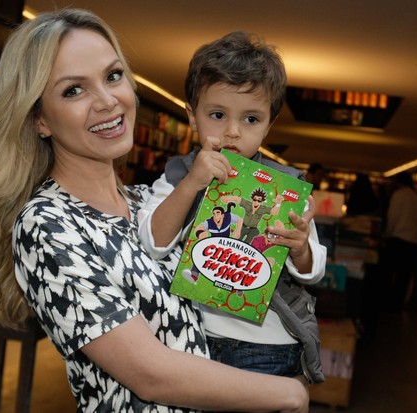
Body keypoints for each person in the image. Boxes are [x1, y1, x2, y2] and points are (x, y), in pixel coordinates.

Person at [0, 9, 310, 413]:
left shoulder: (151, 201)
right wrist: (288, 393)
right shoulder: (47, 225)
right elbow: (150, 375)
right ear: (39, 118)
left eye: (112, 76)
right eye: (73, 90)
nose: (108, 101)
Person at [138, 31, 326, 383]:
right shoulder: (179, 175)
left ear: (269, 124)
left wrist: (300, 247)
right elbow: (152, 242)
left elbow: (313, 272)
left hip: (269, 345)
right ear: (192, 116)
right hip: (193, 339)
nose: (233, 131)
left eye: (251, 119)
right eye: (218, 114)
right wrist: (192, 183)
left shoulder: (284, 188)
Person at [378, 171, 417, 312]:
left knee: (389, 273)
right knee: (404, 276)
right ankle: (396, 304)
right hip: (413, 241)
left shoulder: (398, 195)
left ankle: (386, 302)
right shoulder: (416, 198)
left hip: (398, 240)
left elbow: (393, 217)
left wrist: (386, 234)